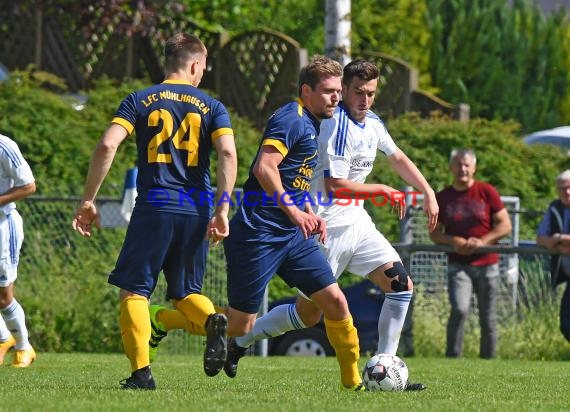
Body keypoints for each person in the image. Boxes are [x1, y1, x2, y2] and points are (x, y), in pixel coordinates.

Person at [222, 59, 438, 391]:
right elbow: (337, 184)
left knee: (400, 286)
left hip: (359, 224)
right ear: (344, 91)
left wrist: (427, 191)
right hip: (328, 227)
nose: (364, 100)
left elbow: (397, 157)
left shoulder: (372, 122)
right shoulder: (335, 125)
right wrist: (381, 189)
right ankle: (240, 341)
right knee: (310, 315)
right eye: (357, 92)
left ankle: (386, 369)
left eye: (371, 93)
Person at [72, 32, 237, 390]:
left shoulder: (139, 99)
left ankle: (141, 374)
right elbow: (227, 153)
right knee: (185, 292)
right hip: (196, 208)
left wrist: (89, 200)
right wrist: (222, 208)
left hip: (154, 206)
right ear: (195, 65)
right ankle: (211, 320)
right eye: (202, 69)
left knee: (133, 292)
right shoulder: (213, 106)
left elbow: (107, 145)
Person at [221, 55, 370, 391]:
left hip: (293, 235)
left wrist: (308, 212)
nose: (337, 97)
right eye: (329, 91)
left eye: (338, 91)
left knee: (335, 302)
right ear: (306, 90)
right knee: (239, 326)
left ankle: (354, 385)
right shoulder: (291, 118)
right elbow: (264, 168)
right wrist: (295, 212)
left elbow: (292, 179)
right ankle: (167, 318)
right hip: (258, 232)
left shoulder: (312, 122)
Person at [429, 149, 512, 359]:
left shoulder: (487, 192)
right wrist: (453, 240)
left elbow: (505, 225)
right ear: (451, 167)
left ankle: (489, 361)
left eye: (466, 165)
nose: (462, 169)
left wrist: (482, 241)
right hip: (458, 264)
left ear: (474, 167)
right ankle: (452, 358)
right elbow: (434, 232)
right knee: (459, 309)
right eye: (458, 164)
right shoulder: (443, 197)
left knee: (488, 316)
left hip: (487, 263)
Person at [0, 133, 37, 368]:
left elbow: (28, 186)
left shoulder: (4, 145)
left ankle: (24, 347)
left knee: (3, 296)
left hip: (3, 225)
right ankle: (4, 338)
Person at [536, 169, 570, 342]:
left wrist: (560, 238)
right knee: (566, 325)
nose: (567, 192)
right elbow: (541, 238)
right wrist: (557, 243)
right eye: (562, 188)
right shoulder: (554, 207)